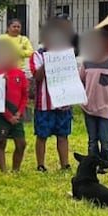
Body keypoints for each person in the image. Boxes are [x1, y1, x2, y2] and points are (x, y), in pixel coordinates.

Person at [30, 18, 76, 172]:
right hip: (44, 103)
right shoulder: (37, 55)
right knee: (42, 135)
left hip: (62, 102)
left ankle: (65, 164)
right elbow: (37, 76)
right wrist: (48, 60)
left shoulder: (66, 54)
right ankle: (40, 164)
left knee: (63, 135)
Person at [79, 29, 108, 173]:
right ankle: (93, 164)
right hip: (88, 106)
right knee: (92, 139)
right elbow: (80, 81)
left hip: (106, 106)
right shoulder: (86, 62)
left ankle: (105, 163)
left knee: (104, 138)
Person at [0, 40, 30, 174]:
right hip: (1, 114)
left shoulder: (19, 74)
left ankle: (15, 169)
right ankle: (3, 171)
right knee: (1, 142)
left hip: (16, 113)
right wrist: (8, 115)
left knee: (21, 143)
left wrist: (19, 112)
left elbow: (25, 95)